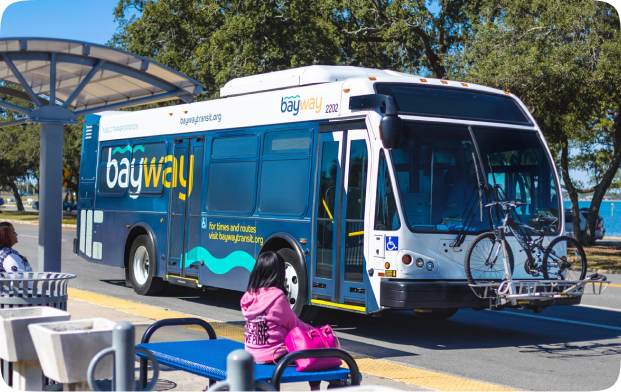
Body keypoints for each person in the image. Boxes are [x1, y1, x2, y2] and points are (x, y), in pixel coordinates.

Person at [241, 251, 313, 364]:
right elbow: (294, 325)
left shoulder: (248, 296)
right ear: (279, 274)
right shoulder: (276, 298)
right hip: (274, 356)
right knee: (314, 353)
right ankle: (319, 380)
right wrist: (315, 330)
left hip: (251, 354)